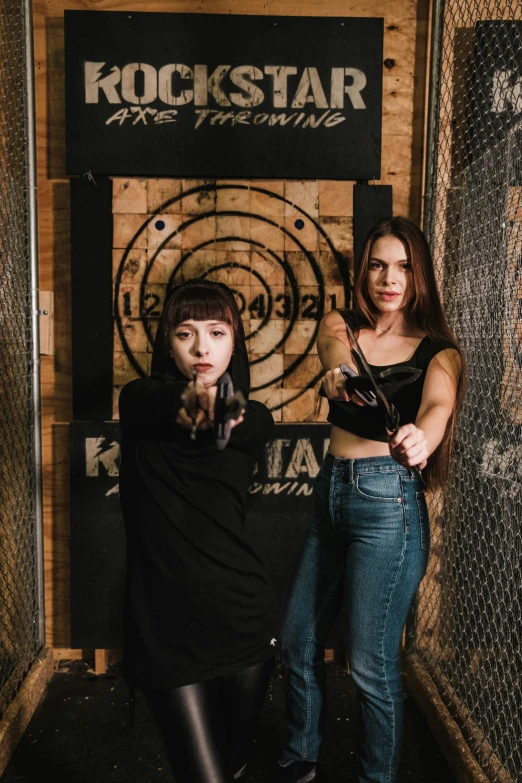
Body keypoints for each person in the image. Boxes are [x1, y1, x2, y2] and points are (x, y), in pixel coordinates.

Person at [279, 217, 465, 783]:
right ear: (365, 271)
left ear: (421, 276)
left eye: (404, 267)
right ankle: (300, 757)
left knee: (369, 664)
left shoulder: (440, 350)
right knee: (295, 642)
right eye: (379, 265)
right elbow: (333, 351)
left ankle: (375, 777)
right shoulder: (345, 325)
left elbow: (437, 405)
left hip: (388, 506)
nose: (390, 278)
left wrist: (422, 436)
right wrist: (334, 375)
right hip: (331, 494)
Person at [118, 278, 278, 783]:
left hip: (243, 623)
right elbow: (180, 406)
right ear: (168, 343)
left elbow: (247, 423)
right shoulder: (141, 399)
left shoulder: (256, 419)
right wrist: (212, 408)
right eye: (185, 333)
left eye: (216, 332)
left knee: (233, 767)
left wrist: (230, 413)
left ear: (235, 342)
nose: (202, 347)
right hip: (165, 630)